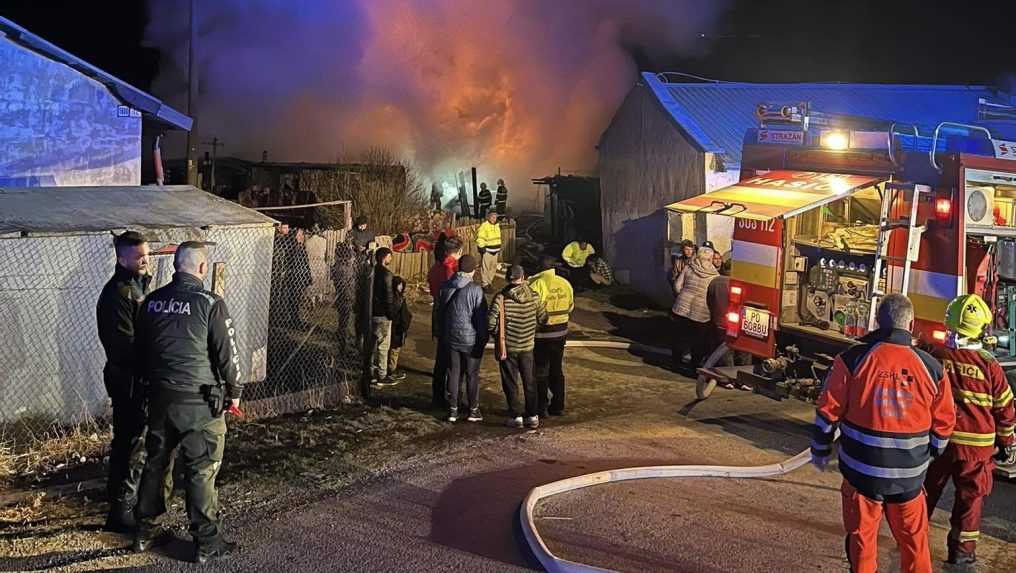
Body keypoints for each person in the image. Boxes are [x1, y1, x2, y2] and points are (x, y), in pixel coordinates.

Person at [811, 294, 955, 573]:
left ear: (877, 321)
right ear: (911, 324)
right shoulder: (932, 368)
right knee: (914, 543)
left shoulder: (852, 360)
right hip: (909, 478)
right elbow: (945, 423)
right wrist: (932, 452)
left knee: (862, 540)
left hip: (861, 475)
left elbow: (828, 411)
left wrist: (820, 450)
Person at [132, 241, 242, 563]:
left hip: (160, 402)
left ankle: (144, 532)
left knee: (155, 466)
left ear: (176, 266)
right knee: (201, 471)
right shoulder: (210, 303)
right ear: (203, 268)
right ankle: (207, 542)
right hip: (200, 407)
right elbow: (228, 357)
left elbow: (141, 352)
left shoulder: (151, 302)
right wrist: (235, 393)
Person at [925, 294, 1016, 565]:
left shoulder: (936, 355)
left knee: (927, 491)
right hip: (976, 450)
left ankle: (911, 537)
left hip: (939, 442)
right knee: (970, 501)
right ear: (981, 328)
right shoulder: (989, 364)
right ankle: (962, 553)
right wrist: (1007, 440)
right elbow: (1005, 408)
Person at [95, 231, 153, 532]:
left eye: (146, 253)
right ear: (122, 259)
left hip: (134, 378)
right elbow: (124, 347)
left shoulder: (137, 288)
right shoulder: (119, 294)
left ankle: (123, 501)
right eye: (138, 256)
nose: (145, 259)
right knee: (131, 443)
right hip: (128, 380)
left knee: (133, 441)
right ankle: (121, 512)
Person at [489, 265, 547, 429]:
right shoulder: (535, 296)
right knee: (530, 381)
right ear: (523, 277)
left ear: (508, 279)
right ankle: (532, 415)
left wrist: (498, 334)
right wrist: (531, 329)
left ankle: (516, 416)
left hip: (508, 347)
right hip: (528, 346)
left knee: (510, 382)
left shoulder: (501, 298)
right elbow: (543, 318)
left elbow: (490, 323)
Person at [437, 255, 487, 422]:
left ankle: (453, 409)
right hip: (470, 339)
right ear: (473, 270)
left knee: (453, 372)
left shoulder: (446, 286)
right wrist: (483, 338)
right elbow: (480, 318)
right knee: (472, 374)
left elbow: (439, 311)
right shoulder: (476, 290)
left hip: (451, 337)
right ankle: (473, 410)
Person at [530, 255, 574, 417]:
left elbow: (531, 308)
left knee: (541, 370)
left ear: (540, 267)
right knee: (556, 369)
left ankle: (541, 407)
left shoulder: (537, 284)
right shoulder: (565, 283)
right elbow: (570, 307)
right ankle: (558, 406)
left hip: (542, 334)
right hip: (560, 333)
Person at [428, 237, 463, 407]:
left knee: (441, 359)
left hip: (438, 312)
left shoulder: (435, 268)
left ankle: (437, 395)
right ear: (459, 252)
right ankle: (454, 397)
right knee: (454, 361)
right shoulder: (453, 270)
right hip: (452, 315)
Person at [672, 247, 719, 371]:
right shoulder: (714, 276)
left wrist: (682, 296)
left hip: (681, 308)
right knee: (698, 341)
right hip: (701, 312)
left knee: (680, 336)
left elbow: (677, 286)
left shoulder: (689, 268)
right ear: (711, 258)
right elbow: (713, 297)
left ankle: (675, 362)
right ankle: (694, 366)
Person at [370, 247, 398, 386]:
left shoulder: (371, 271)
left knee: (371, 345)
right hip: (382, 314)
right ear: (385, 257)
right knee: (383, 346)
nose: (391, 259)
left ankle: (369, 373)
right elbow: (388, 296)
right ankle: (382, 374)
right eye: (390, 256)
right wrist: (391, 314)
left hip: (371, 312)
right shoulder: (387, 275)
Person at [387, 277, 413, 383]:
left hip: (393, 327)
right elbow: (404, 316)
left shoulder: (389, 297)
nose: (401, 287)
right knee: (394, 351)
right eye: (400, 285)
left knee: (389, 349)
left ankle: (388, 369)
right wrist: (404, 327)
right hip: (397, 329)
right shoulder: (399, 300)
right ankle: (391, 370)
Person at [476, 209, 502, 291]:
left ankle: (489, 282)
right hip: (487, 251)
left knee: (493, 267)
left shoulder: (497, 226)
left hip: (495, 251)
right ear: (488, 217)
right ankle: (485, 284)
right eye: (492, 216)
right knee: (486, 268)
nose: (494, 218)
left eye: (495, 217)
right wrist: (482, 249)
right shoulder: (484, 226)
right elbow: (480, 238)